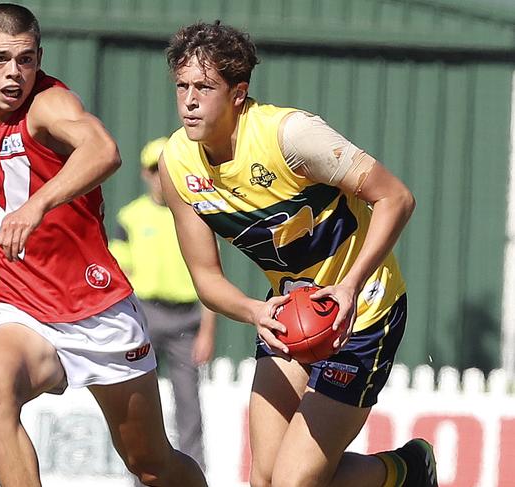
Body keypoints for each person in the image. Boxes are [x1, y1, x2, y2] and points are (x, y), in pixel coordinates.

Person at [0, 4, 207, 487]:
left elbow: (105, 151)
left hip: (99, 313)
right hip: (25, 313)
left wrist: (35, 207)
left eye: (26, 59)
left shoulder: (49, 106)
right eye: (0, 59)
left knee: (151, 466)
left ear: (40, 58)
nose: (14, 73)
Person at [158, 21, 437, 487]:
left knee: (293, 482)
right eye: (182, 86)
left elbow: (396, 198)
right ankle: (404, 475)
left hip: (363, 311)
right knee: (264, 479)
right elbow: (206, 279)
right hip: (291, 315)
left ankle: (405, 471)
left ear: (238, 93)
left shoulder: (290, 136)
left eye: (204, 87)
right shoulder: (176, 163)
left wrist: (349, 288)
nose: (189, 100)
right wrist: (255, 312)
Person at [109, 136, 217, 481]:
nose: (162, 176)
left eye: (168, 169)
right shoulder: (130, 217)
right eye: (156, 169)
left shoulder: (194, 215)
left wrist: (208, 330)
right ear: (145, 173)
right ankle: (140, 475)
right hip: (144, 313)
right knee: (137, 401)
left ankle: (192, 476)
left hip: (186, 317)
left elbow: (212, 277)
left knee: (189, 404)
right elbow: (119, 272)